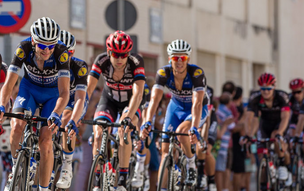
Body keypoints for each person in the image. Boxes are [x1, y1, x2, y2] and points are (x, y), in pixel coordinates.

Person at [0, 17, 70, 191]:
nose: (47, 51)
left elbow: (65, 92)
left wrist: (56, 113)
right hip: (29, 90)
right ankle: (17, 168)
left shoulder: (61, 51)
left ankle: (43, 187)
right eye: (42, 46)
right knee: (16, 127)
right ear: (33, 40)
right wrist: (1, 105)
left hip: (52, 95)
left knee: (45, 141)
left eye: (51, 46)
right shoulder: (24, 48)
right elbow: (9, 83)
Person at [140, 39, 207, 189]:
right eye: (175, 58)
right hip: (175, 108)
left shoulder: (196, 73)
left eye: (182, 58)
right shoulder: (163, 73)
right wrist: (147, 121)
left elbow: (197, 104)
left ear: (187, 59)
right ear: (170, 58)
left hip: (196, 109)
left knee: (182, 132)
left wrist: (195, 128)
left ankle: (191, 164)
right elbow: (154, 99)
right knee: (165, 151)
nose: (179, 62)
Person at [87, 30, 145, 191]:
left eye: (123, 55)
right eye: (115, 54)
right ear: (108, 52)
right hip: (109, 100)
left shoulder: (136, 61)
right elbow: (88, 89)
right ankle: (97, 182)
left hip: (131, 102)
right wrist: (78, 112)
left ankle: (122, 180)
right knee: (98, 133)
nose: (119, 59)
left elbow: (138, 93)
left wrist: (127, 116)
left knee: (124, 129)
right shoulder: (101, 60)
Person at [243, 73, 292, 189]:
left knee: (276, 137)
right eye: (263, 89)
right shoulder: (255, 97)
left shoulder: (282, 96)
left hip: (280, 123)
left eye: (268, 89)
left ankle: (282, 164)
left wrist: (280, 132)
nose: (265, 92)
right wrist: (248, 134)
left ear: (274, 87)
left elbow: (285, 117)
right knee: (261, 155)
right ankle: (264, 185)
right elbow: (249, 118)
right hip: (264, 124)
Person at [55, 30, 89, 189]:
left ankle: (67, 165)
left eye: (68, 53)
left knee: (66, 119)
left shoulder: (79, 66)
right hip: (55, 99)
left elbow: (80, 98)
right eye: (60, 51)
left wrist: (74, 121)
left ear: (73, 52)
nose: (63, 56)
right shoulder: (49, 62)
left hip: (74, 100)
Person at [215, 92, 235, 191]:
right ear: (229, 102)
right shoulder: (227, 112)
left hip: (213, 145)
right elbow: (232, 126)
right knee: (220, 169)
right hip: (222, 145)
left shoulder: (217, 110)